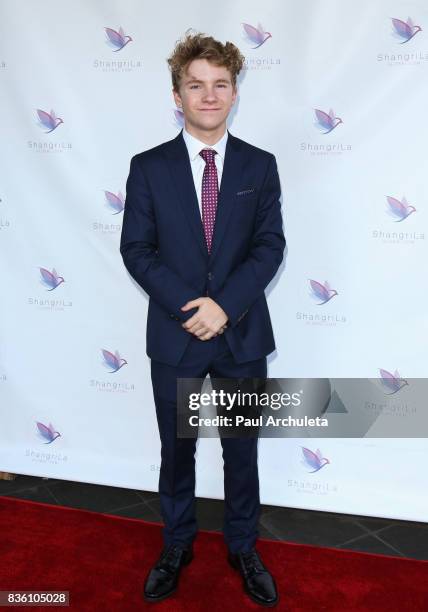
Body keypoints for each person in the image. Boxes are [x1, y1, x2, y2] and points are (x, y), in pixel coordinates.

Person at [120, 30, 285, 607]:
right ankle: (177, 544)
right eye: (196, 85)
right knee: (176, 451)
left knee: (242, 452)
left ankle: (243, 546)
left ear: (234, 92)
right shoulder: (148, 168)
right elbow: (136, 250)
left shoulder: (260, 167)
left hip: (240, 338)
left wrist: (224, 307)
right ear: (177, 94)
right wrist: (192, 309)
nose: (208, 95)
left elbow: (269, 246)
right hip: (176, 336)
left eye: (220, 85)